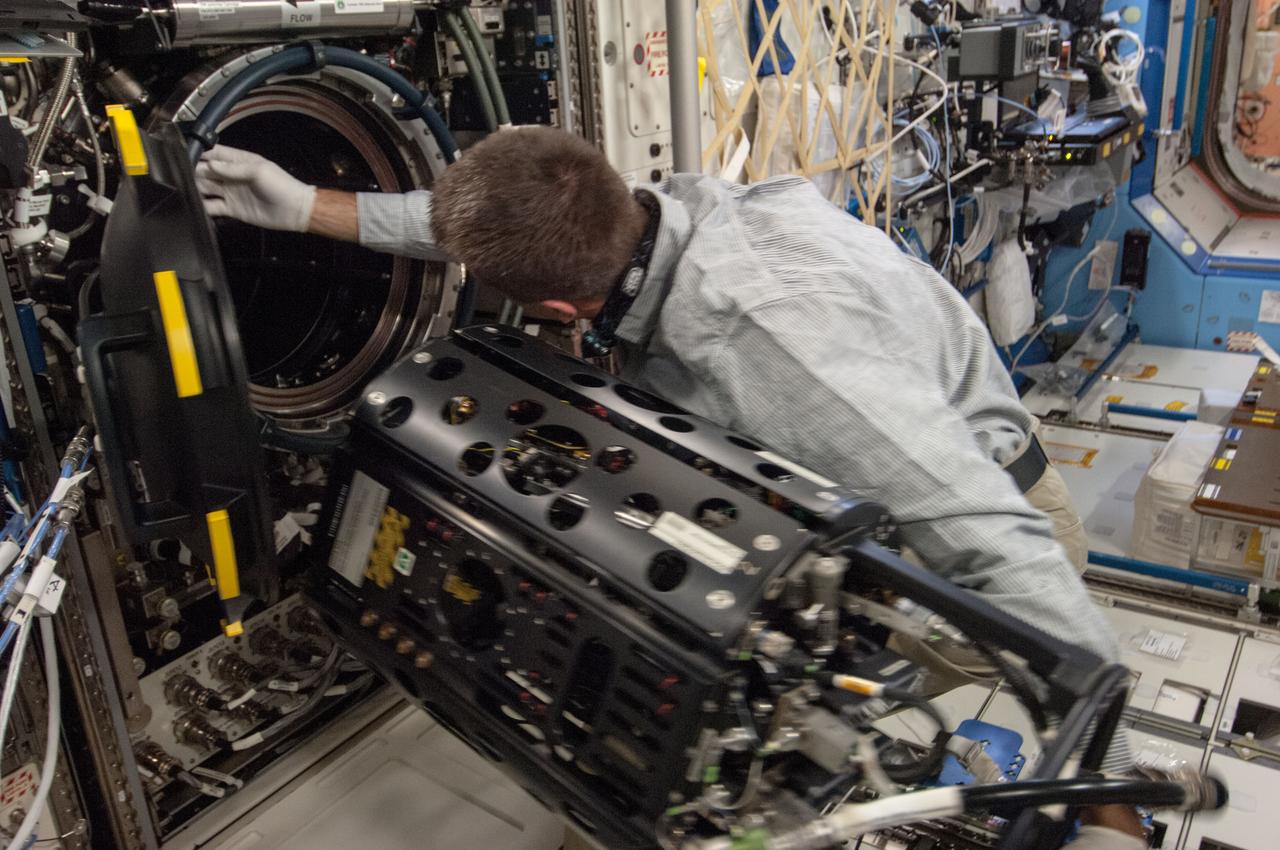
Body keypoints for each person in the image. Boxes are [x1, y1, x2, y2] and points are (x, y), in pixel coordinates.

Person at [196, 128, 1144, 847]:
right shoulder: (664, 208)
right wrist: (310, 206)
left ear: (559, 314)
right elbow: (497, 223)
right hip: (896, 476)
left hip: (977, 538)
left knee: (747, 752)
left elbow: (990, 540)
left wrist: (1117, 797)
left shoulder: (762, 349)